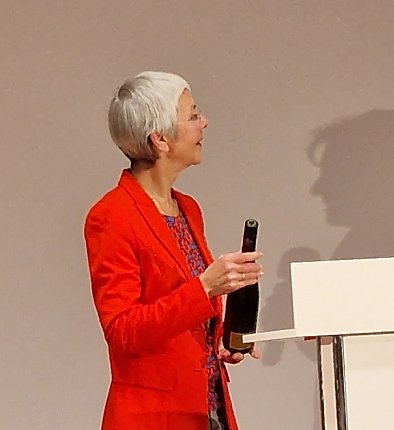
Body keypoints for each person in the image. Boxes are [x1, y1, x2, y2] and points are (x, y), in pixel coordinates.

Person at [84, 71, 264, 430]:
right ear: (160, 139)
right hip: (154, 417)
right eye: (193, 115)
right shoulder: (111, 216)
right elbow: (123, 331)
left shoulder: (188, 209)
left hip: (207, 410)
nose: (204, 122)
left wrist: (219, 342)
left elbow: (182, 319)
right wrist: (205, 288)